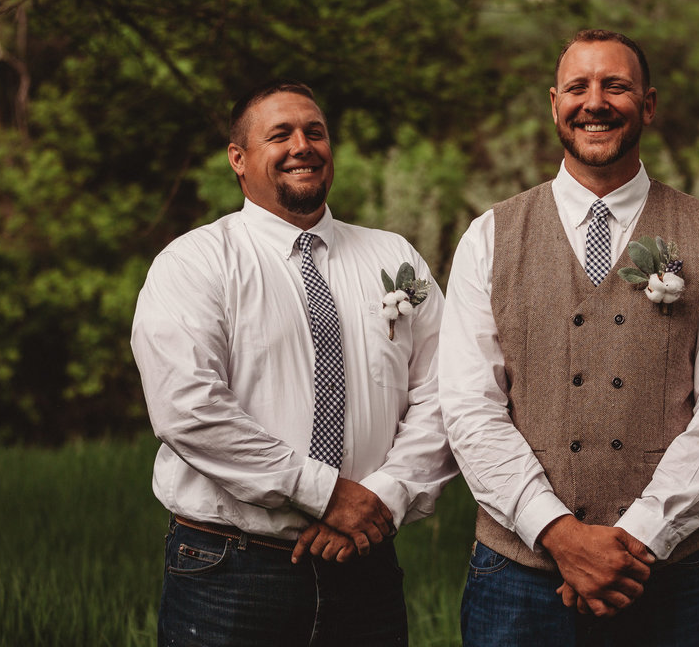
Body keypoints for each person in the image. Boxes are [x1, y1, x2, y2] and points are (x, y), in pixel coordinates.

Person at [439, 29, 699, 645]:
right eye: (578, 87)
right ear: (553, 102)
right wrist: (558, 534)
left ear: (648, 104)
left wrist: (633, 542)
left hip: (670, 577)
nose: (595, 102)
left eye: (616, 86)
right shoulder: (488, 238)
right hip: (518, 576)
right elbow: (469, 409)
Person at [132, 79, 456, 646]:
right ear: (239, 158)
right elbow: (188, 409)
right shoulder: (194, 263)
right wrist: (327, 494)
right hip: (230, 572)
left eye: (316, 132)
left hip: (366, 564)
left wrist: (385, 495)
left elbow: (443, 388)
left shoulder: (394, 255)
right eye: (279, 134)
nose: (302, 145)